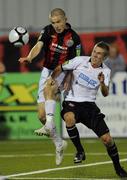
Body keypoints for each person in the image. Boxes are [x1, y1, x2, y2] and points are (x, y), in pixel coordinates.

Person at [47, 41, 127, 178]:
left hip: (90, 106)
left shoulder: (106, 71)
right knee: (69, 118)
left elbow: (105, 93)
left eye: (99, 54)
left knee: (107, 140)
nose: (95, 55)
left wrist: (102, 83)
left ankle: (118, 167)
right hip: (72, 101)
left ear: (104, 58)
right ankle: (80, 151)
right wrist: (51, 78)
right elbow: (60, 67)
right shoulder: (79, 61)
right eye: (94, 52)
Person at [19, 8, 82, 165]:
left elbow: (78, 61)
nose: (56, 25)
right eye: (53, 23)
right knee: (41, 116)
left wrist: (69, 76)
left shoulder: (74, 38)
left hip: (63, 71)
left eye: (58, 22)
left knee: (50, 86)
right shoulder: (47, 31)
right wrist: (29, 57)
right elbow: (38, 46)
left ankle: (75, 145)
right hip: (46, 70)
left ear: (65, 19)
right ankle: (59, 143)